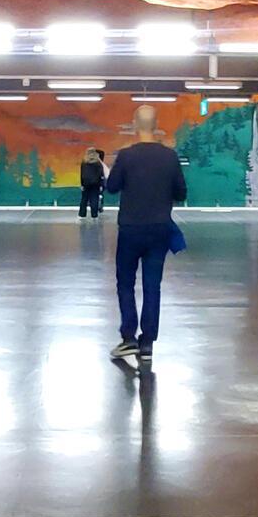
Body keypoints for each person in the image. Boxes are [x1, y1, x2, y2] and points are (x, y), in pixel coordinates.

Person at [104, 107, 186, 377]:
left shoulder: (126, 156)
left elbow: (112, 187)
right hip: (159, 230)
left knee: (125, 283)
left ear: (133, 124)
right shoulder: (170, 156)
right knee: (153, 286)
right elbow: (181, 192)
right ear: (157, 125)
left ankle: (128, 336)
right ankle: (147, 343)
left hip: (130, 229)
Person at [78, 147, 108, 220]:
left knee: (84, 199)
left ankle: (82, 215)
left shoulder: (84, 162)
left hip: (86, 183)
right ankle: (94, 215)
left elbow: (82, 174)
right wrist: (101, 184)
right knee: (94, 199)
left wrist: (82, 184)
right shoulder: (98, 163)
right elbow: (101, 174)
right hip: (96, 183)